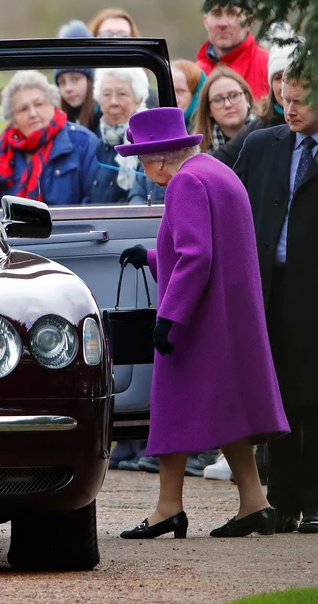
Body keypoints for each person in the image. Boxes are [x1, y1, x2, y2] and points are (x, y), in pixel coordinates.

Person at [116, 107, 288, 539]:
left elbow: (197, 256)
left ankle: (167, 509)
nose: (143, 168)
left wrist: (169, 317)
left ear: (157, 159)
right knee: (227, 410)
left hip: (198, 319)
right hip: (229, 318)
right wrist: (154, 257)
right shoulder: (215, 171)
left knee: (173, 410)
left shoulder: (184, 183)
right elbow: (212, 246)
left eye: (141, 160)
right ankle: (255, 503)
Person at [234, 75, 318, 534]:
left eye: (301, 103)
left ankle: (317, 499)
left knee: (316, 399)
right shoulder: (263, 144)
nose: (290, 111)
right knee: (278, 397)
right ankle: (283, 501)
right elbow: (226, 194)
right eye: (285, 101)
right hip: (270, 289)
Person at [0, 71, 99, 207]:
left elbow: (92, 205)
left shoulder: (84, 143)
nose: (33, 114)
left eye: (39, 104)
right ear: (13, 120)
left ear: (53, 104)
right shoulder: (2, 151)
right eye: (23, 109)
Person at [216, 37, 297, 170]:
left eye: (293, 75)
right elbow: (221, 159)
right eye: (278, 78)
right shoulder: (259, 129)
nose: (284, 84)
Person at [83, 67, 148, 205]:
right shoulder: (98, 144)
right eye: (106, 94)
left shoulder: (149, 143)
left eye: (122, 94)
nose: (113, 102)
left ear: (138, 99)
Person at [196, 0, 269, 100]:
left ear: (250, 22)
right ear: (205, 21)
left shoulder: (270, 68)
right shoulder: (194, 74)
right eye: (216, 14)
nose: (223, 23)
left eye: (232, 14)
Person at [196, 66, 258, 155]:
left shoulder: (269, 133)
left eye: (234, 95)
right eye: (218, 99)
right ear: (208, 109)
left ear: (247, 99)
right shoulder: (198, 151)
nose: (227, 105)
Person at [54, 20, 97, 132]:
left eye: (75, 79)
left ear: (91, 80)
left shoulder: (106, 122)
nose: (68, 89)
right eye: (62, 82)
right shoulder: (58, 122)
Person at [171, 60, 206, 132]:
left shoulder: (210, 131)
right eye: (170, 92)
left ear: (197, 95)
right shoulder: (159, 128)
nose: (175, 100)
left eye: (181, 91)